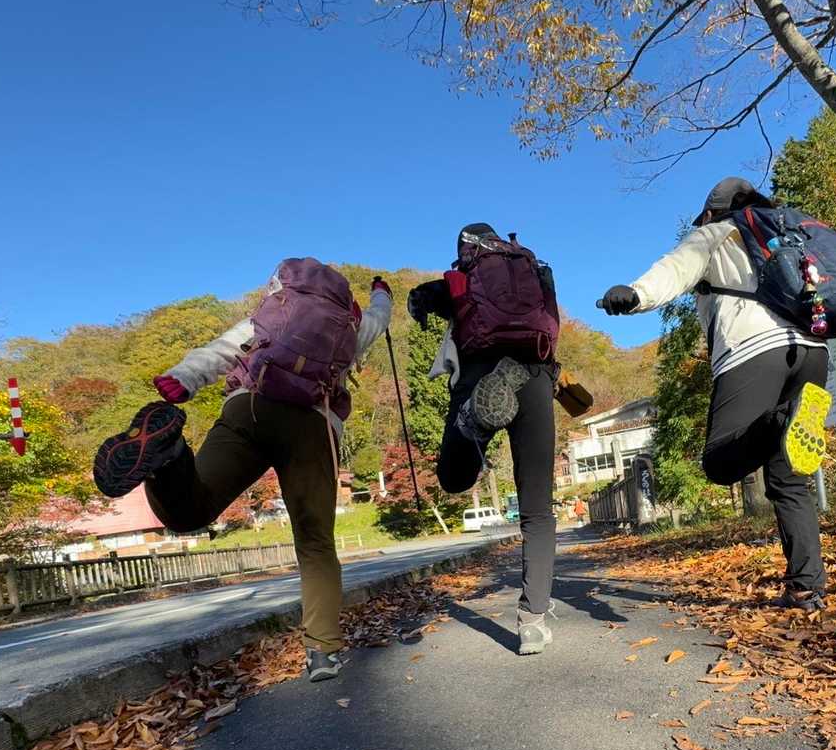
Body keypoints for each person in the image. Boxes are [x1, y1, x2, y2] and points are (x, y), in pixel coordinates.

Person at [92, 260, 392, 680]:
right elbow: (380, 318)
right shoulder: (349, 328)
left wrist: (183, 378)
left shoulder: (272, 315)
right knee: (315, 543)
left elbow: (225, 348)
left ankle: (171, 457)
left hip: (248, 409)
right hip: (313, 424)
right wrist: (381, 293)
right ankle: (322, 651)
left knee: (190, 512)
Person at [599, 176, 832, 610]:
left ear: (710, 212)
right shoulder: (794, 233)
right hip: (813, 350)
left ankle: (782, 419)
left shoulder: (719, 232)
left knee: (721, 462)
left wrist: (635, 295)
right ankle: (807, 588)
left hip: (753, 350)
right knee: (788, 481)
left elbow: (676, 268)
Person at [408, 223, 560, 654]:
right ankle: (532, 621)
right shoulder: (536, 271)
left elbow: (418, 302)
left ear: (464, 251)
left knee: (454, 478)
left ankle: (470, 422)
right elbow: (551, 325)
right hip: (533, 375)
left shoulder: (456, 282)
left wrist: (419, 304)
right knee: (538, 510)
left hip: (478, 373)